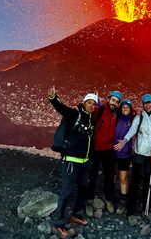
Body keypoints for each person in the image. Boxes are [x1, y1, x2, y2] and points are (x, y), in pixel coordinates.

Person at [48, 86, 97, 238]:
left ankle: (76, 214)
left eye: (94, 104)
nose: (91, 106)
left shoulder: (91, 119)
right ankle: (58, 223)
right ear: (84, 103)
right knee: (67, 191)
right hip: (71, 161)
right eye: (89, 103)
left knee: (83, 189)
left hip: (84, 162)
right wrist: (53, 98)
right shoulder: (75, 114)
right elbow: (61, 108)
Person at [114, 94, 151, 217]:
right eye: (145, 103)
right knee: (135, 181)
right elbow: (132, 130)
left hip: (150, 155)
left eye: (149, 102)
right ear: (143, 105)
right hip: (139, 154)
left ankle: (145, 205)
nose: (147, 105)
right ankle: (131, 208)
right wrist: (125, 141)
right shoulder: (139, 118)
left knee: (148, 181)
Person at [88, 90, 122, 214]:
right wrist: (94, 100)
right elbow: (88, 110)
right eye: (113, 100)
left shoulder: (117, 114)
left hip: (109, 149)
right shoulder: (100, 110)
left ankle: (109, 199)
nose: (114, 103)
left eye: (117, 102)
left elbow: (128, 115)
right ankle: (89, 200)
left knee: (109, 176)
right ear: (108, 99)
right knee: (92, 175)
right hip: (96, 149)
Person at [114, 98, 134, 214]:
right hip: (112, 152)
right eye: (123, 107)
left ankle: (123, 200)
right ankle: (111, 196)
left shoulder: (133, 120)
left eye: (128, 107)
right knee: (110, 175)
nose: (125, 109)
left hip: (125, 154)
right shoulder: (115, 118)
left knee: (123, 178)